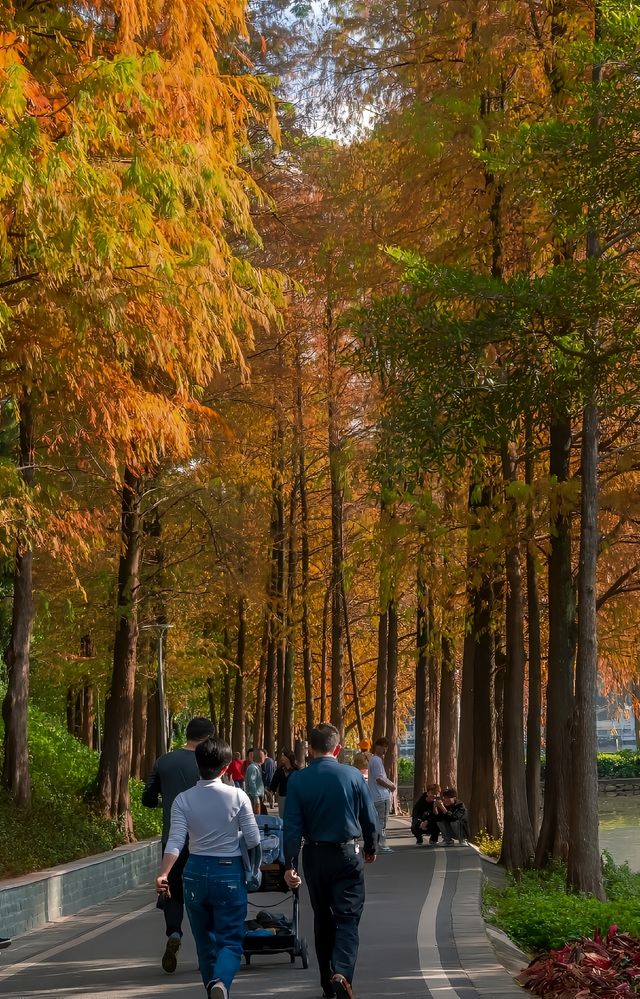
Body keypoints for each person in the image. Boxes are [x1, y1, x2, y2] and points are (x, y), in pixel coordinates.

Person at [156, 736, 260, 999]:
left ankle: (212, 988)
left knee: (205, 944)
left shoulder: (183, 800)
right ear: (225, 767)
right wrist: (252, 865)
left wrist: (164, 873)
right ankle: (221, 983)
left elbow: (176, 840)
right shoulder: (238, 796)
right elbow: (253, 839)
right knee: (230, 940)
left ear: (197, 763)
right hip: (228, 871)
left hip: (194, 871)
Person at [283, 723, 378, 999]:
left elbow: (291, 827)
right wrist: (371, 845)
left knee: (322, 917)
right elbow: (369, 818)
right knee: (347, 918)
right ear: (337, 748)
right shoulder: (352, 776)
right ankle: (343, 972)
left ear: (310, 749)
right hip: (347, 853)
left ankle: (326, 981)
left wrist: (290, 864)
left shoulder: (298, 780)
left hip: (314, 855)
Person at [143, 715, 215, 974]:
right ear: (207, 738)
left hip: (172, 838)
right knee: (204, 892)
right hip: (204, 840)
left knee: (171, 889)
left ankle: (174, 932)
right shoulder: (209, 762)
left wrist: (167, 801)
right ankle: (208, 946)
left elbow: (148, 798)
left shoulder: (164, 760)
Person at [367, 736, 395, 854]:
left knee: (378, 822)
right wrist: (390, 786)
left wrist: (390, 783)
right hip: (381, 796)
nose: (384, 750)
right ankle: (382, 845)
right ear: (377, 747)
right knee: (382, 823)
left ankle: (376, 844)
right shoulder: (377, 760)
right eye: (383, 747)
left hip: (376, 796)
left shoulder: (374, 760)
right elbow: (379, 778)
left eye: (386, 748)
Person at [270, 750, 298, 817]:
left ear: (288, 758)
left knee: (293, 816)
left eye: (283, 756)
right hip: (282, 797)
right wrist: (271, 797)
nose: (281, 758)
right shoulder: (279, 771)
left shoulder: (296, 770)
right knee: (282, 817)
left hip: (294, 797)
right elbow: (273, 785)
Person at [244, 747, 265, 813]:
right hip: (254, 797)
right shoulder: (253, 768)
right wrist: (256, 798)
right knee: (257, 817)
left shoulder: (257, 767)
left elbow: (257, 782)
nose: (264, 757)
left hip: (257, 795)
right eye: (263, 755)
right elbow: (252, 783)